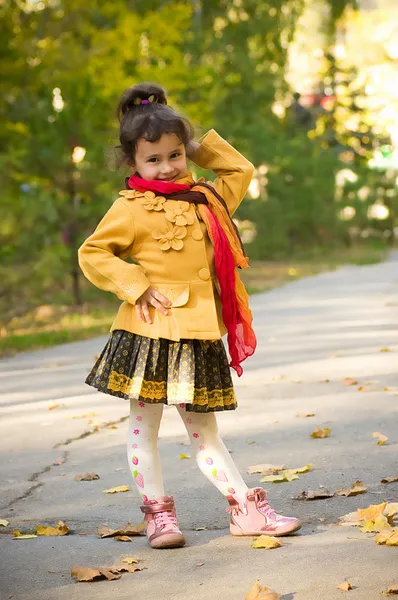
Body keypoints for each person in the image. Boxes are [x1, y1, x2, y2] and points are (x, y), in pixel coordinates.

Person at [78, 82, 301, 549]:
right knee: (145, 426)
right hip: (150, 334)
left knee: (204, 429)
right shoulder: (130, 208)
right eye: (153, 159)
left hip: (198, 336)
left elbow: (240, 170)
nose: (167, 166)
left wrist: (196, 143)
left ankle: (244, 509)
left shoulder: (208, 199)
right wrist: (136, 284)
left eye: (175, 154)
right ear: (132, 162)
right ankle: (159, 516)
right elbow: (93, 253)